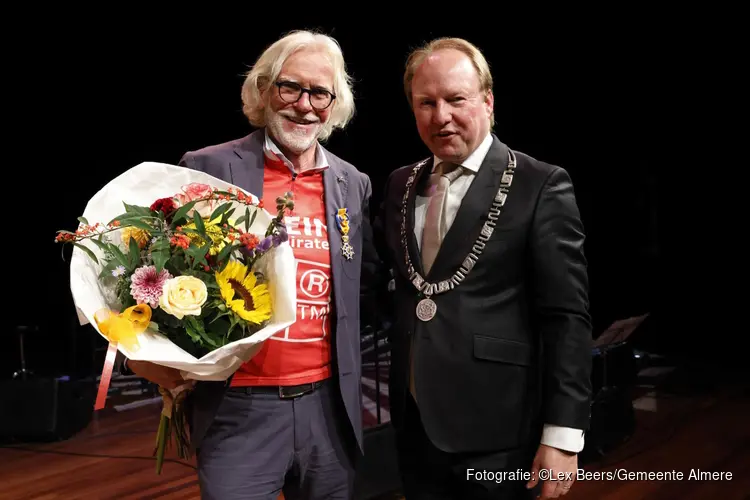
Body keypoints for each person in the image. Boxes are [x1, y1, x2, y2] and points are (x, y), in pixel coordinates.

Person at [126, 29, 382, 499]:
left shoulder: (352, 183)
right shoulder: (209, 167)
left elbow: (364, 287)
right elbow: (152, 272)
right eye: (290, 86)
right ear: (263, 90)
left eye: (320, 92)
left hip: (329, 410)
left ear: (334, 103)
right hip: (238, 411)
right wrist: (147, 353)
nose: (304, 104)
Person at [375, 37, 593, 499]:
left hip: (501, 432)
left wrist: (562, 434)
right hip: (415, 427)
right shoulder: (399, 183)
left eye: (456, 99)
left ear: (488, 101)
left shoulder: (540, 184)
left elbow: (566, 318)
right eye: (426, 103)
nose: (441, 116)